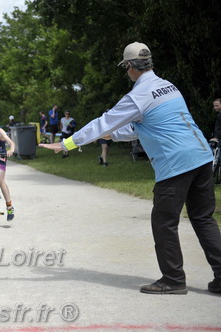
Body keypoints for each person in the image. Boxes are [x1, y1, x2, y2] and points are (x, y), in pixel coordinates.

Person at [40, 42, 221, 295]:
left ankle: (173, 280)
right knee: (203, 219)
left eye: (125, 68)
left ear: (129, 67)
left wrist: (67, 143)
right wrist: (112, 136)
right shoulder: (168, 86)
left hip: (176, 163)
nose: (126, 73)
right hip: (201, 156)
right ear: (150, 64)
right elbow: (140, 128)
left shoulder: (138, 96)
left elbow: (103, 123)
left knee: (164, 221)